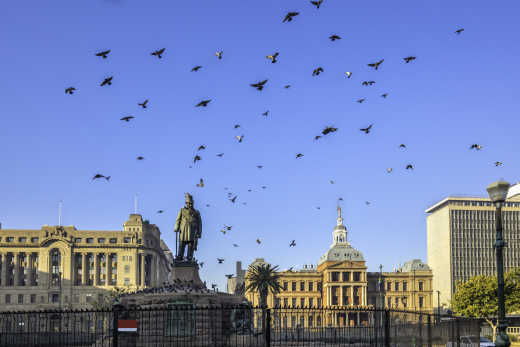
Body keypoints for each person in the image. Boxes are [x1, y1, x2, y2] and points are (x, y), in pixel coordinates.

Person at [174, 193, 202, 261]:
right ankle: (180, 256)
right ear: (186, 203)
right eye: (188, 203)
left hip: (192, 231)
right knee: (182, 244)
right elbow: (178, 219)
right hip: (183, 230)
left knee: (191, 245)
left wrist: (199, 232)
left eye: (191, 203)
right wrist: (176, 227)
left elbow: (200, 223)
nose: (189, 205)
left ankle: (189, 257)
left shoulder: (196, 212)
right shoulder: (182, 210)